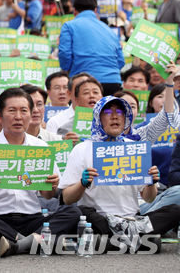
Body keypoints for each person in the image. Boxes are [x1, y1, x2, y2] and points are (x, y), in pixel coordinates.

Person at [0, 88, 81, 257]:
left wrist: (51, 185)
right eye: (12, 111)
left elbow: (48, 196)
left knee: (73, 212)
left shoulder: (41, 148)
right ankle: (33, 242)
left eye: (24, 111)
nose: (18, 117)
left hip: (32, 219)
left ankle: (18, 244)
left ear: (30, 114)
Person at [59, 95, 180, 252]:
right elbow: (67, 199)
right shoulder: (82, 149)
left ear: (127, 118)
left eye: (120, 112)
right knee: (77, 213)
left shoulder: (135, 148)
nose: (115, 116)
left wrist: (151, 182)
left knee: (175, 210)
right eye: (108, 111)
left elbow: (148, 198)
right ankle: (139, 242)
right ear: (98, 117)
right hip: (99, 220)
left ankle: (110, 243)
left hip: (132, 220)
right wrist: (82, 183)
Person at [59, 0, 124, 94]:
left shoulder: (69, 26)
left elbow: (64, 54)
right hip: (113, 82)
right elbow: (120, 61)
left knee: (82, 110)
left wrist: (69, 70)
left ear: (74, 10)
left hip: (83, 82)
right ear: (95, 10)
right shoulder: (110, 30)